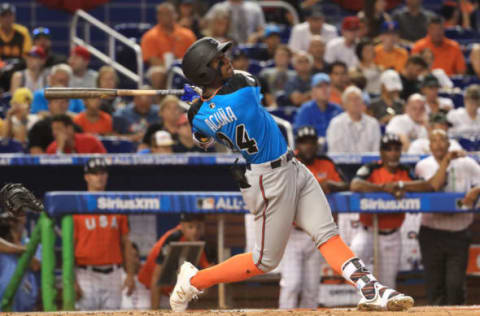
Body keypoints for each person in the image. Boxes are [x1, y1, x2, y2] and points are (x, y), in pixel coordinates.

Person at [172, 37, 414, 312]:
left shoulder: (201, 117)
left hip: (292, 166)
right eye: (219, 60)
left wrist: (199, 104)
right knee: (264, 262)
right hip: (267, 181)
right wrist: (203, 95)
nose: (227, 60)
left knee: (327, 235)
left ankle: (371, 289)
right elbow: (240, 81)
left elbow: (202, 141)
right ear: (205, 73)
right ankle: (194, 280)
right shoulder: (242, 90)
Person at [350, 133, 433, 288]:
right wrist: (382, 188)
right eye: (388, 149)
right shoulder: (372, 168)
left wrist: (401, 186)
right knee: (356, 255)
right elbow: (355, 184)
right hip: (368, 231)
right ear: (382, 152)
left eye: (396, 149)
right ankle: (362, 298)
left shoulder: (405, 171)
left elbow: (425, 186)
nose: (393, 153)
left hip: (391, 235)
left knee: (388, 283)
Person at [279, 126, 348, 309]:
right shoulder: (287, 162)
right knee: (292, 284)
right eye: (303, 142)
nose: (308, 146)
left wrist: (331, 184)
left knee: (311, 289)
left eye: (311, 142)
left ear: (317, 145)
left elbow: (346, 184)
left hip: (316, 235)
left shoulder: (326, 163)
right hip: (293, 234)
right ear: (297, 145)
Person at [415, 130, 480, 305]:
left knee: (455, 285)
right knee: (434, 286)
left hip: (458, 233)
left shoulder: (467, 163)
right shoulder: (423, 165)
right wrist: (446, 161)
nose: (438, 144)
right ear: (429, 146)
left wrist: (476, 189)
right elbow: (434, 185)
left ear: (449, 143)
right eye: (433, 140)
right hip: (432, 233)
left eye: (442, 139)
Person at [74, 158, 136, 310]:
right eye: (95, 173)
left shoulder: (117, 205)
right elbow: (69, 247)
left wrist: (130, 275)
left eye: (102, 173)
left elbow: (126, 243)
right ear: (86, 177)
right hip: (85, 274)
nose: (99, 177)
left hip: (114, 274)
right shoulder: (76, 205)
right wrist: (71, 280)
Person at [139, 213, 212, 309]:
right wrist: (154, 310)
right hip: (148, 288)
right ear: (182, 226)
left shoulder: (200, 242)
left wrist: (191, 293)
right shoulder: (173, 238)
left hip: (171, 292)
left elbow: (209, 275)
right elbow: (156, 277)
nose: (195, 231)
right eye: (191, 227)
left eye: (198, 227)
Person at [141, 3, 196, 89]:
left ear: (175, 15)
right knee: (157, 73)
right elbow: (153, 60)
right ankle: (160, 102)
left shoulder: (187, 34)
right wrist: (171, 68)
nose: (166, 16)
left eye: (169, 13)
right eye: (162, 14)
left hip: (184, 67)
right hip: (162, 68)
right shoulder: (150, 36)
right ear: (158, 16)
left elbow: (194, 56)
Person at [0, 215, 41, 312]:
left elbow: (36, 266)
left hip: (25, 302)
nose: (12, 223)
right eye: (9, 220)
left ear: (24, 220)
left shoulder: (31, 243)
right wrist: (21, 250)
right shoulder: (4, 244)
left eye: (15, 220)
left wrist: (19, 247)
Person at [327, 85, 381, 153]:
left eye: (357, 99)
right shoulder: (336, 124)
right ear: (344, 104)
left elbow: (376, 151)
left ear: (362, 102)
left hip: (369, 163)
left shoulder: (373, 123)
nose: (355, 102)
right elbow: (334, 151)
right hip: (342, 163)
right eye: (350, 99)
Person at [293, 73, 343, 138]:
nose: (324, 89)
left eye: (327, 85)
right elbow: (300, 135)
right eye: (319, 86)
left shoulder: (337, 109)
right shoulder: (305, 110)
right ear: (313, 91)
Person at [120, 243, 150, 310]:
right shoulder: (117, 277)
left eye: (135, 256)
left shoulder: (148, 275)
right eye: (130, 257)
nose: (133, 260)